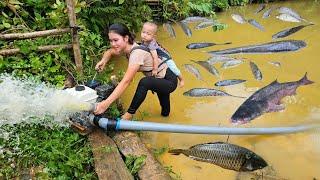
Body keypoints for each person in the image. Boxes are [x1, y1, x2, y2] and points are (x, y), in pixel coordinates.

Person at [94, 23, 178, 120]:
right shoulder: (126, 47)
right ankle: (165, 119)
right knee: (165, 112)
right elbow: (110, 52)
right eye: (111, 41)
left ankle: (129, 114)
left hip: (169, 80)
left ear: (126, 38)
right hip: (158, 79)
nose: (113, 44)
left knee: (144, 82)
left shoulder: (136, 54)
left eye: (116, 40)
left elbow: (126, 81)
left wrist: (106, 104)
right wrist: (103, 61)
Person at [140, 22, 184, 88]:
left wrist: (155, 69)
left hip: (165, 57)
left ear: (153, 36)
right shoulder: (144, 40)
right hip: (159, 56)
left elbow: (155, 58)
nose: (145, 35)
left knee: (173, 68)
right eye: (143, 32)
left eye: (148, 34)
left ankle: (181, 79)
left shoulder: (151, 44)